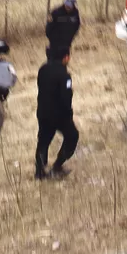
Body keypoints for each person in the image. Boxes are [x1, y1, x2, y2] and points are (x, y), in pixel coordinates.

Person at [35, 47, 79, 180]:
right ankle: (57, 166)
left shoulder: (42, 70)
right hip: (59, 115)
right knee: (72, 136)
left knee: (43, 141)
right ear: (65, 57)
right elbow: (66, 98)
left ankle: (40, 172)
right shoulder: (64, 75)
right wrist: (68, 115)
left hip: (43, 112)